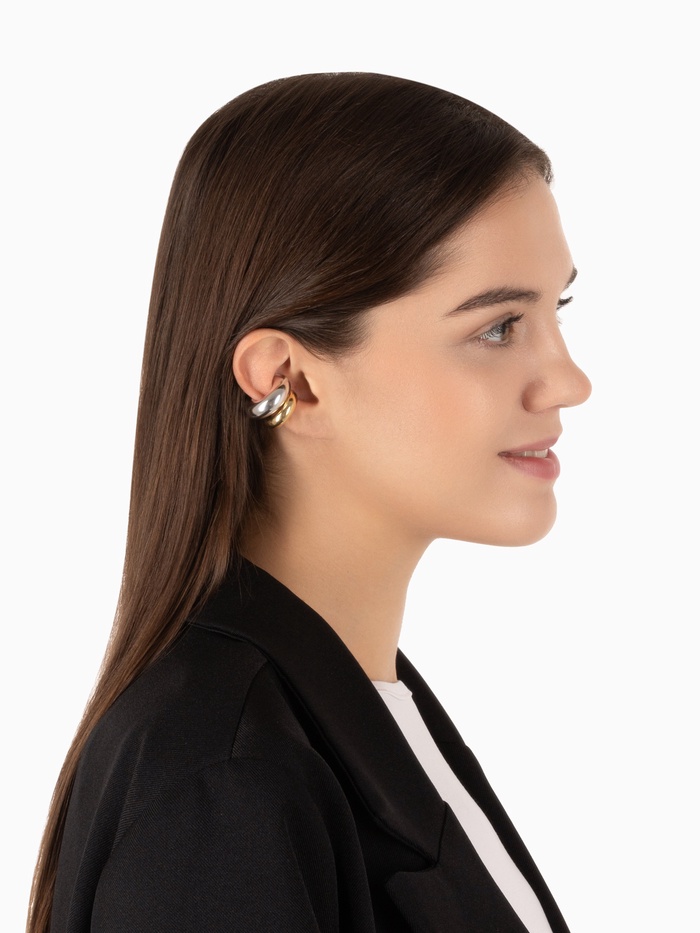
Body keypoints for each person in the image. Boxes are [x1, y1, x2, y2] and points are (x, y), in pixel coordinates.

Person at [27, 72, 591, 933]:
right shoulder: (222, 776)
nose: (570, 380)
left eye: (559, 310)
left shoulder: (356, 710)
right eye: (497, 327)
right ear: (289, 379)